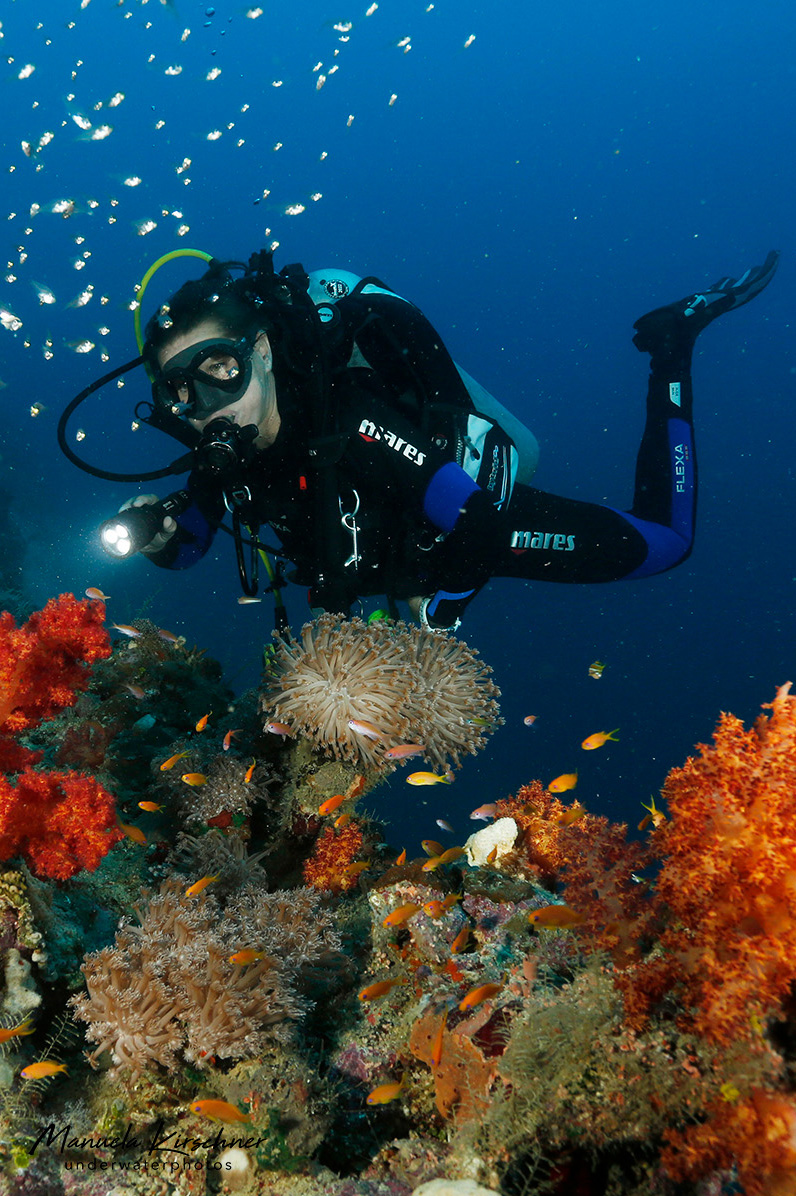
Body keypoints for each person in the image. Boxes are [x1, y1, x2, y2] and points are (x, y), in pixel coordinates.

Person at [120, 248, 779, 631]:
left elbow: (480, 525)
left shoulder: (348, 419)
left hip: (447, 532)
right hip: (394, 566)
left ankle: (672, 349)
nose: (204, 405)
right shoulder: (222, 457)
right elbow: (189, 547)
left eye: (219, 370)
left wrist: (438, 619)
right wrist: (154, 537)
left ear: (260, 351)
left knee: (668, 545)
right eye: (179, 391)